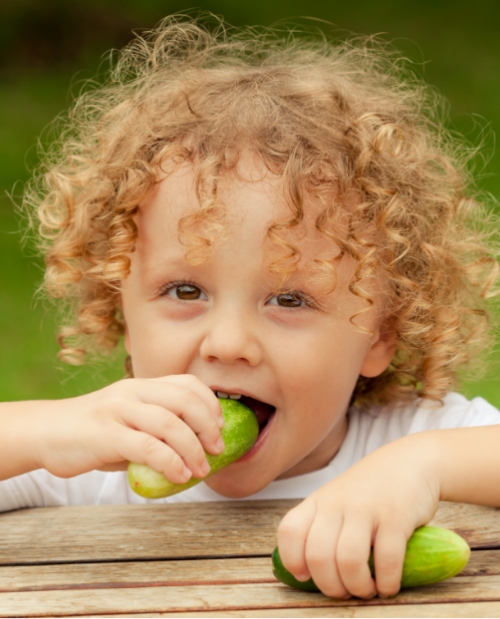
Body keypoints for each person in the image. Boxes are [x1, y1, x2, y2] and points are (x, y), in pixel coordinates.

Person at [1, 14, 500, 600]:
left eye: (289, 299)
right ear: (121, 307)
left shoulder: (405, 440)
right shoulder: (93, 465)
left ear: (380, 333)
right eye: (186, 291)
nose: (228, 342)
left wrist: (422, 466)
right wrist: (39, 434)